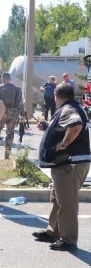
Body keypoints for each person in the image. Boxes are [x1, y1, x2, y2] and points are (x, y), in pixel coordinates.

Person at [33, 83, 91, 251]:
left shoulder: (68, 109)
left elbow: (75, 126)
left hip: (69, 164)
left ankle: (68, 239)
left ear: (56, 96)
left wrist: (63, 145)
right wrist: (48, 126)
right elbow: (65, 127)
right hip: (66, 164)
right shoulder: (71, 107)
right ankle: (53, 232)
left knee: (67, 203)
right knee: (59, 199)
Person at [0, 72, 25, 160]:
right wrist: (22, 115)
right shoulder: (17, 89)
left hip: (1, 112)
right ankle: (7, 155)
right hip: (13, 113)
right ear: (10, 78)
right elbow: (20, 102)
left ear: (2, 78)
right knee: (10, 133)